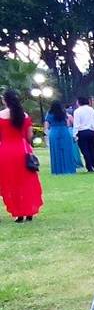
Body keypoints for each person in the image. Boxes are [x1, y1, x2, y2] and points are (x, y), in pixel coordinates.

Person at [0, 89, 43, 222]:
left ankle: (18, 213)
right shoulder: (24, 116)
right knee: (26, 181)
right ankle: (28, 210)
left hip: (6, 151)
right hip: (22, 150)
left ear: (4, 100)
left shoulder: (1, 115)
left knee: (11, 181)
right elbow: (29, 136)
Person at [44, 100, 77, 175]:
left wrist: (46, 133)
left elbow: (47, 124)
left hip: (54, 131)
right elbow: (68, 123)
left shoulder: (49, 113)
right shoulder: (63, 113)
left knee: (56, 151)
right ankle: (68, 168)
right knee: (66, 150)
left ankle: (57, 170)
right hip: (64, 131)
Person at [73, 96, 94, 172]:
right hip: (91, 131)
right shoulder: (91, 110)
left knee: (85, 150)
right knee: (92, 149)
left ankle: (89, 166)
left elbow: (76, 124)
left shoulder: (77, 111)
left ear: (79, 102)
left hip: (82, 132)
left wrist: (74, 135)